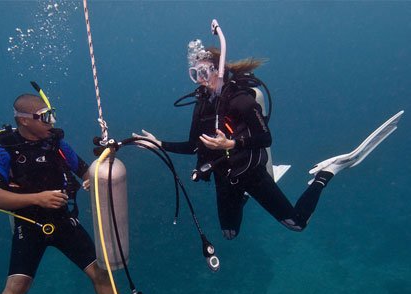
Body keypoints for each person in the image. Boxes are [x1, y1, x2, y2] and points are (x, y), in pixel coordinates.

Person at [133, 39, 363, 241]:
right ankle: (243, 196)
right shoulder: (202, 105)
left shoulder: (240, 100)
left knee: (296, 224)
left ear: (218, 70)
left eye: (204, 72)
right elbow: (194, 145)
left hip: (251, 174)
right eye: (195, 74)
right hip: (224, 177)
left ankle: (325, 174)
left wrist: (231, 144)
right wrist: (158, 144)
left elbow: (265, 138)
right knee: (229, 234)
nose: (201, 80)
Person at [0, 92, 133, 294]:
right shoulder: (3, 150)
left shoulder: (57, 144)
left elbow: (85, 171)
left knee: (100, 273)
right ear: (23, 121)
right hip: (29, 224)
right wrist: (37, 199)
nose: (51, 122)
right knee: (17, 285)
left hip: (63, 221)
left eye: (52, 115)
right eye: (44, 117)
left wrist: (92, 181)